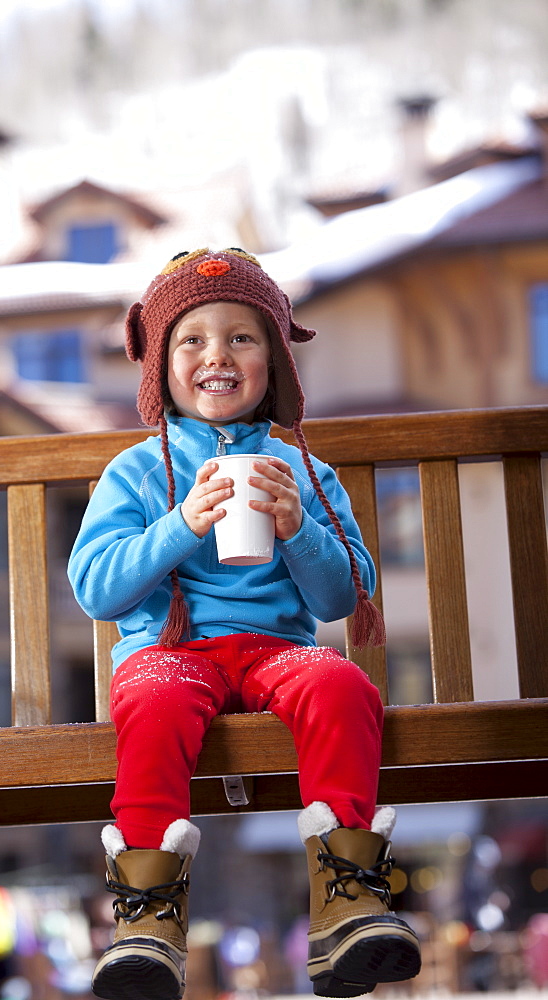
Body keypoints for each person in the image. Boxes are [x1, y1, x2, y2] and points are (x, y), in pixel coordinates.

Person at [68, 248, 421, 1000]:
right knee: (153, 697)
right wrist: (179, 524)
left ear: (275, 364)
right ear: (161, 366)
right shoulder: (135, 471)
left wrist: (299, 526)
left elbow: (339, 599)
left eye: (242, 337)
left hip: (277, 653)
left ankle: (348, 899)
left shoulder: (306, 473)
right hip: (173, 651)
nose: (216, 356)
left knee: (339, 682)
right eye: (192, 340)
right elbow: (97, 588)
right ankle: (148, 918)